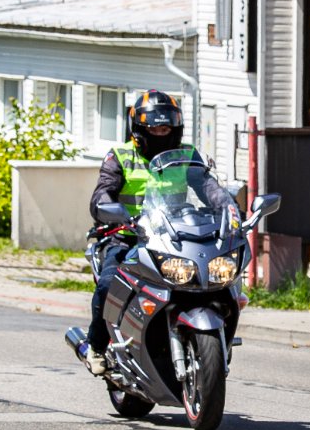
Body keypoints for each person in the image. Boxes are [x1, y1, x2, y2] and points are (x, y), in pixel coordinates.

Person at [81, 90, 232, 374]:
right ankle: (96, 346)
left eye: (165, 128)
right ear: (139, 130)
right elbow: (102, 193)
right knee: (108, 283)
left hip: (173, 239)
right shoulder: (120, 156)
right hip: (126, 237)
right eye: (154, 128)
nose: (160, 133)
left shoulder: (187, 155)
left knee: (215, 278)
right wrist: (110, 209)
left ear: (175, 129)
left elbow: (207, 187)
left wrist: (230, 208)